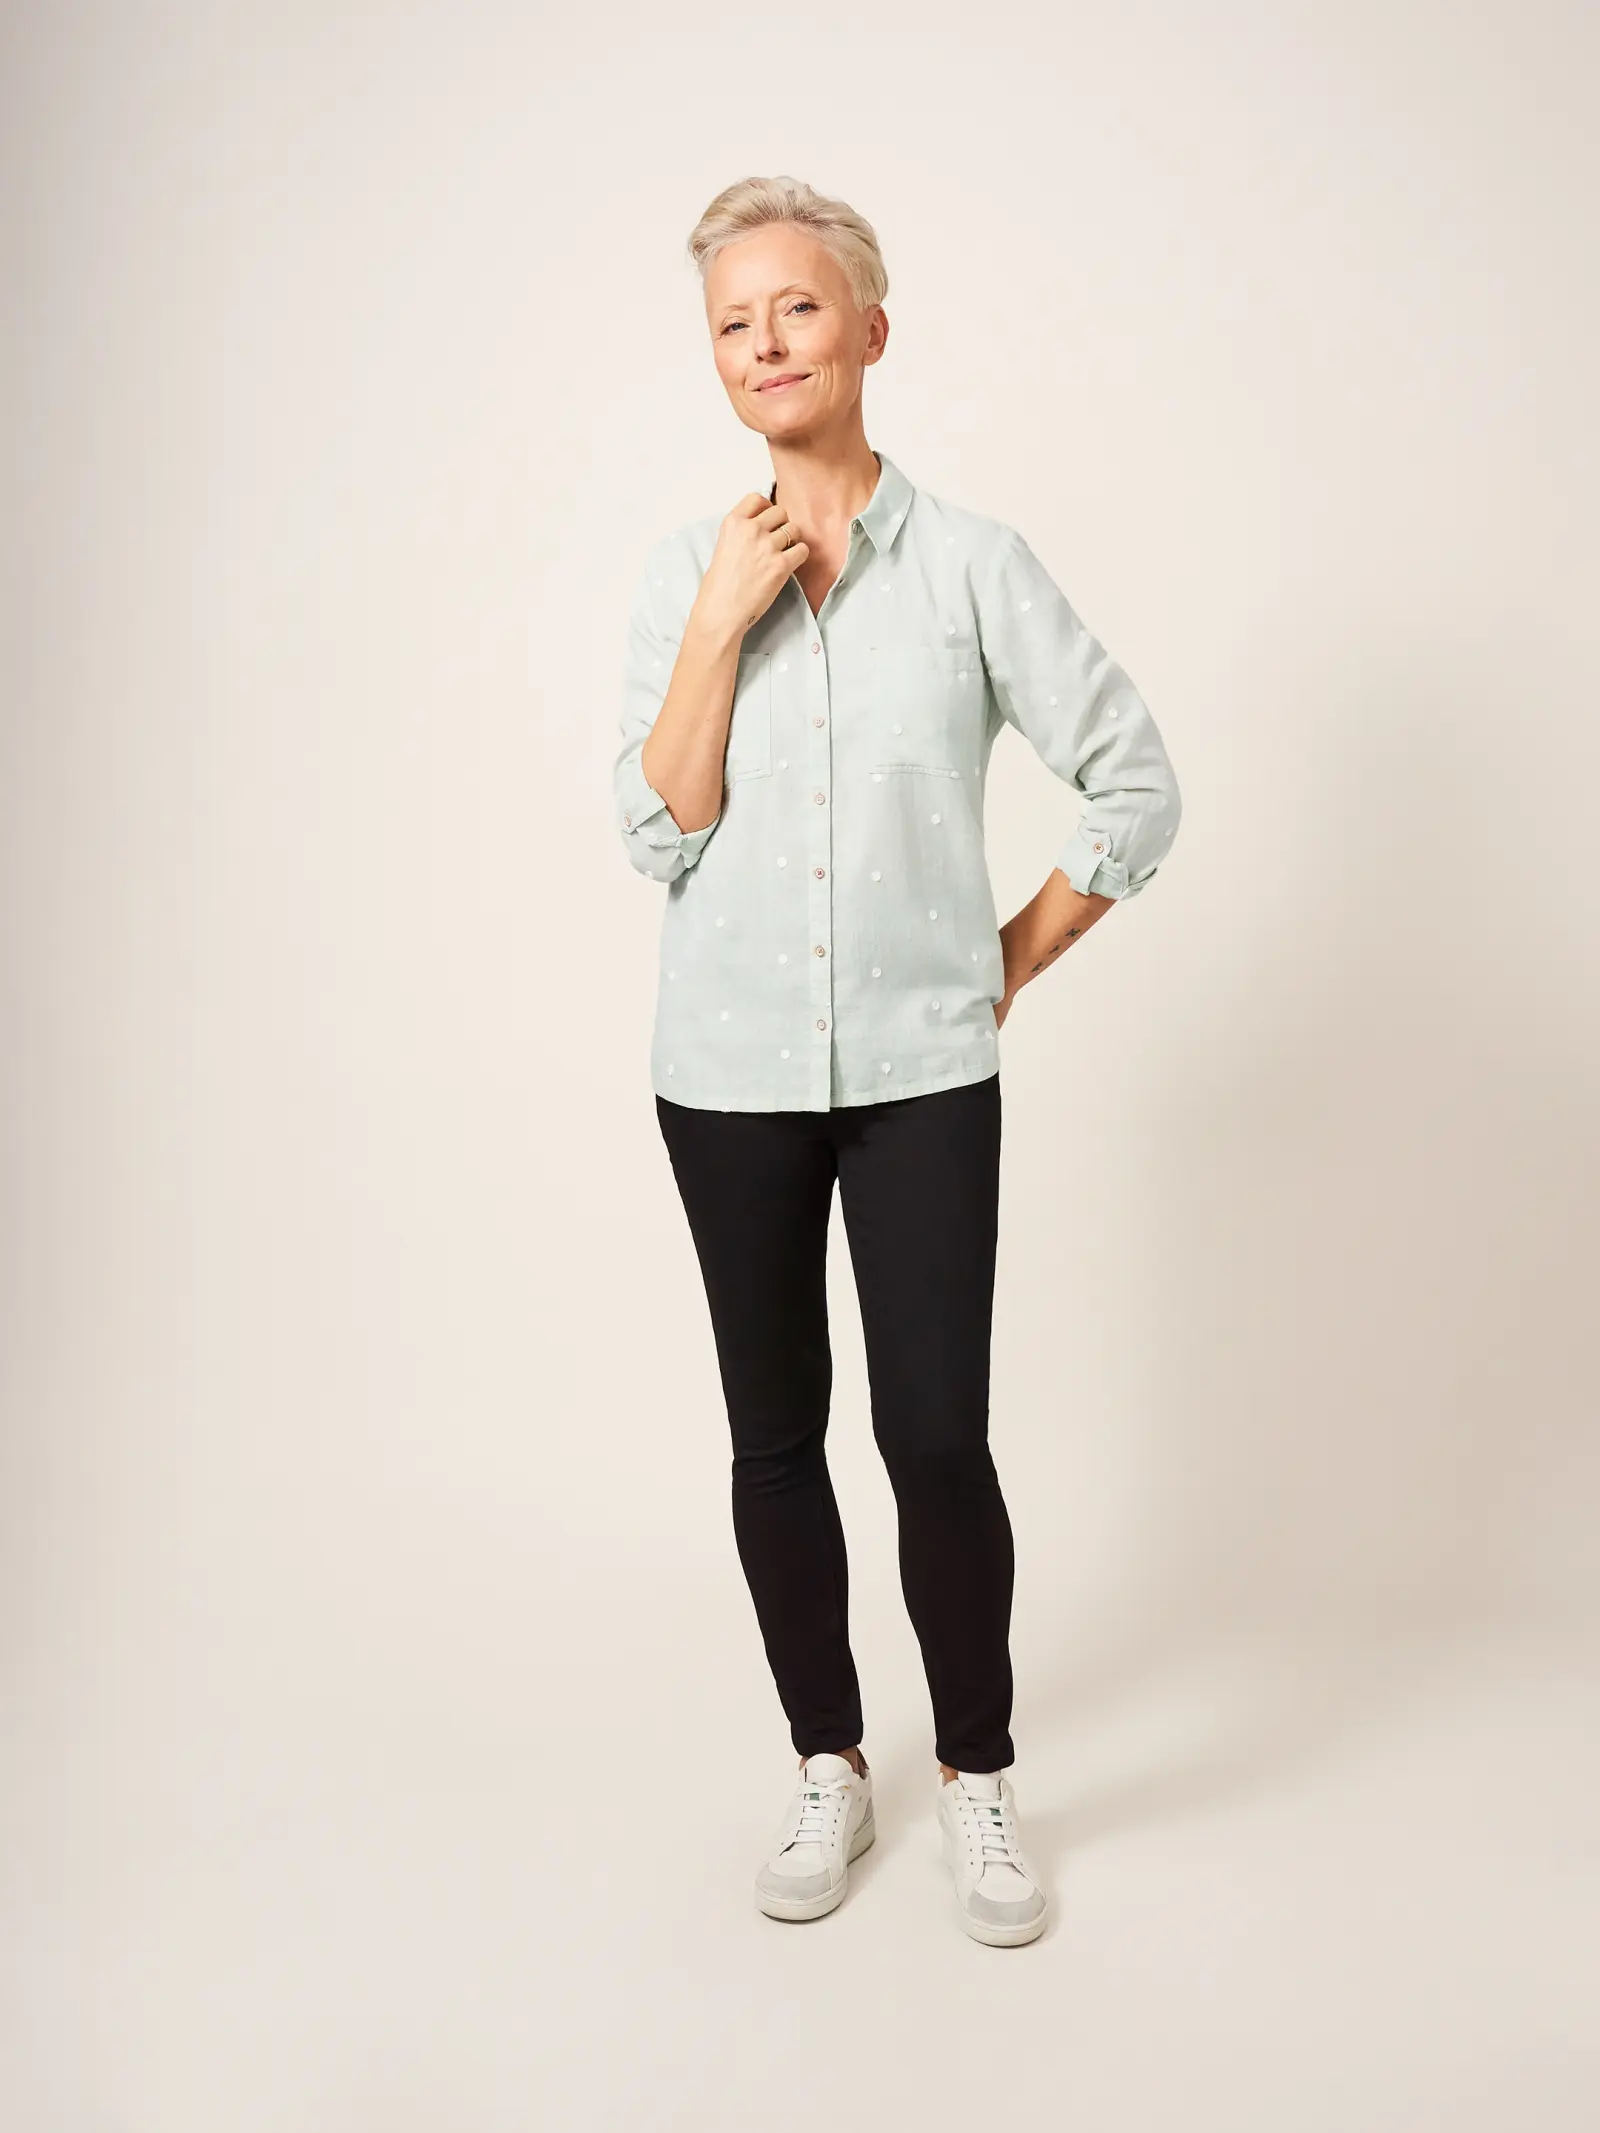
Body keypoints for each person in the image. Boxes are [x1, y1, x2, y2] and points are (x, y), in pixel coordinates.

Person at [613, 175, 1182, 1946]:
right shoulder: (684, 574)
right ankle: (828, 1764)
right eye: (732, 322)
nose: (764, 343)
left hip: (927, 1074)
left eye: (795, 306)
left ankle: (979, 1776)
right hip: (725, 1076)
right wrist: (721, 620)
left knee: (936, 1435)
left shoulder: (974, 567)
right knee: (774, 1435)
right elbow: (657, 830)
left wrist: (1005, 959)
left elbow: (1137, 784)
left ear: (868, 328)